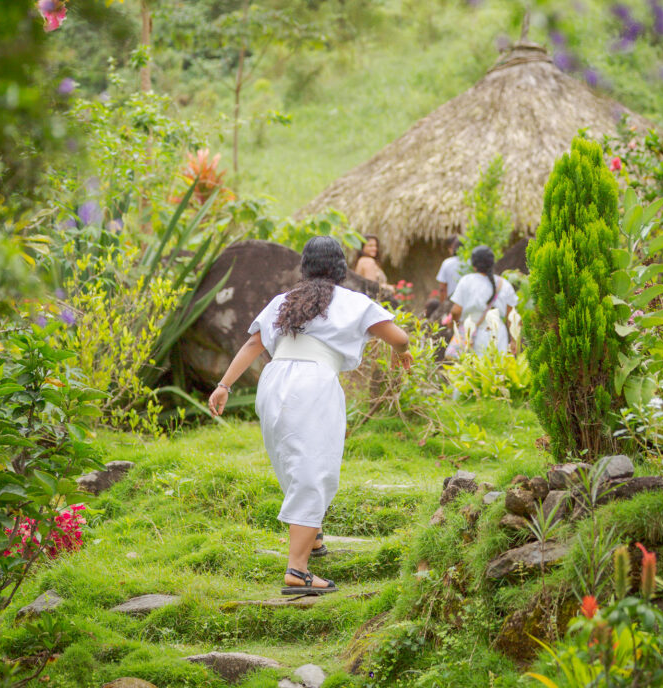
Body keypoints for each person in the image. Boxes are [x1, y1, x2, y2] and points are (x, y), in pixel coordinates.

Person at [208, 236, 413, 596]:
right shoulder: (352, 302)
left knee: (292, 461)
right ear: (340, 267)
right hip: (313, 385)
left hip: (274, 382)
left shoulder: (283, 301)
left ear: (305, 265)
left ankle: (312, 536)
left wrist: (224, 385)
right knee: (314, 467)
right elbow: (399, 335)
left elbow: (254, 344)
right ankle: (297, 570)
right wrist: (400, 351)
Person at [449, 245, 518, 356]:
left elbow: (455, 311)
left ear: (474, 265)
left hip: (473, 334)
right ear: (492, 263)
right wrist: (514, 341)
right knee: (497, 370)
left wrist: (456, 327)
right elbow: (512, 317)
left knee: (474, 370)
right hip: (499, 335)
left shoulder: (466, 281)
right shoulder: (504, 284)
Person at [436, 235, 468, 304]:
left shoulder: (447, 263)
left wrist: (442, 306)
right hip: (468, 302)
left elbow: (442, 289)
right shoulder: (471, 263)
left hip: (452, 303)